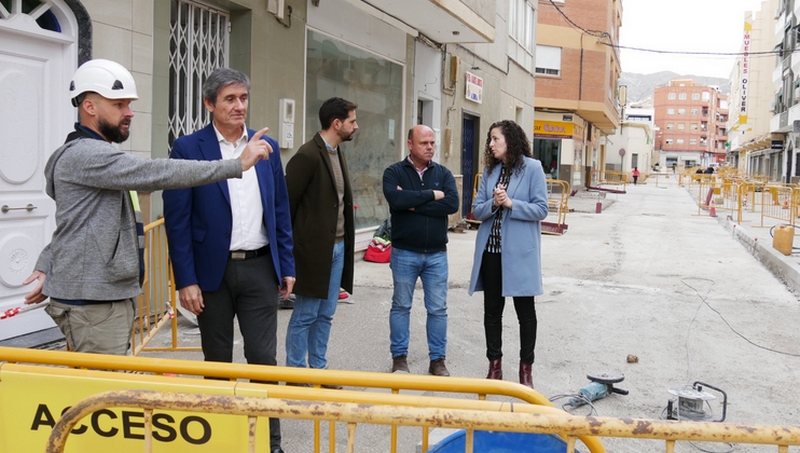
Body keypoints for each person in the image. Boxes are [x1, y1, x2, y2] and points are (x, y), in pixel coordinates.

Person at [22, 59, 271, 356]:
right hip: (93, 303)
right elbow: (158, 173)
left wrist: (49, 263)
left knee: (105, 379)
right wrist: (236, 165)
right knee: (102, 383)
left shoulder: (93, 155)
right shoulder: (89, 155)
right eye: (119, 105)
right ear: (89, 107)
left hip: (102, 298)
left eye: (129, 104)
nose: (129, 112)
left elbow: (77, 224)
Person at [162, 68, 294, 453]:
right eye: (230, 99)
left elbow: (280, 210)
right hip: (210, 274)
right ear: (209, 103)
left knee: (263, 359)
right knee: (217, 360)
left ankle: (269, 442)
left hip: (259, 268)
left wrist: (287, 265)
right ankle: (220, 440)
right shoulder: (188, 148)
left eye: (244, 98)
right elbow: (177, 219)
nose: (239, 106)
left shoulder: (266, 148)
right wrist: (185, 280)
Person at [468, 120, 549, 388]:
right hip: (491, 253)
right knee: (492, 312)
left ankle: (526, 370)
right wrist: (494, 202)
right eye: (490, 140)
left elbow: (541, 209)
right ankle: (495, 366)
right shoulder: (490, 171)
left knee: (525, 313)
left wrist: (512, 203)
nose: (491, 144)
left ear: (510, 141)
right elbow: (477, 210)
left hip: (520, 254)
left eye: (495, 139)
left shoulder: (532, 168)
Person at [284, 98, 357, 379]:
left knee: (326, 314)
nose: (356, 126)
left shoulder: (337, 153)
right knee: (306, 315)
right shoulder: (307, 155)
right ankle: (296, 374)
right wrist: (291, 254)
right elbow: (287, 206)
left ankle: (319, 370)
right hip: (312, 252)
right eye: (352, 121)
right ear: (336, 124)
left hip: (337, 248)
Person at [383, 125, 459, 376]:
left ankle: (437, 360)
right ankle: (399, 358)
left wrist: (414, 204)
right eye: (424, 143)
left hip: (436, 254)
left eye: (432, 143)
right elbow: (396, 200)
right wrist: (431, 194)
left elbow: (452, 204)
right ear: (410, 144)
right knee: (401, 306)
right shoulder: (394, 172)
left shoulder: (443, 173)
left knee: (438, 309)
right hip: (405, 252)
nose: (430, 147)